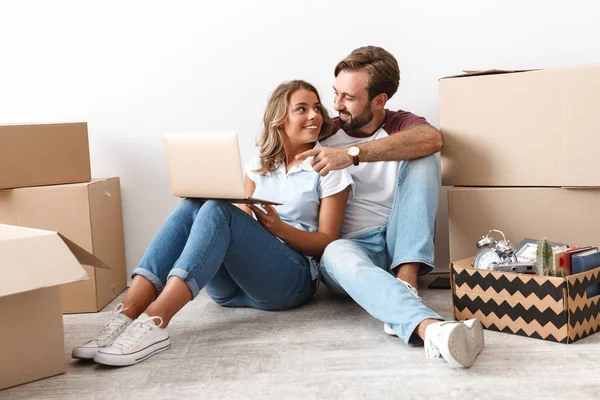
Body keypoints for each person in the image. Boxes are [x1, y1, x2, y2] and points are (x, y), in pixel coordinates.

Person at [72, 80, 353, 366]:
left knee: (218, 209)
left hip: (290, 282)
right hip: (232, 289)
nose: (315, 116)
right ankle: (126, 313)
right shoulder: (257, 164)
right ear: (279, 119)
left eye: (317, 108)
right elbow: (241, 220)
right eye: (302, 109)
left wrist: (280, 230)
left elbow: (327, 242)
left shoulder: (329, 167)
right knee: (194, 204)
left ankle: (155, 321)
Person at [297, 46, 484, 368]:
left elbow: (432, 140)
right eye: (335, 94)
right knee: (335, 252)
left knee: (423, 157)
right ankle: (433, 328)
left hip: (400, 244)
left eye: (349, 98)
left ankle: (406, 284)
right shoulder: (324, 130)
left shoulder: (401, 124)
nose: (337, 106)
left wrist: (353, 154)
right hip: (352, 251)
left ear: (379, 100)